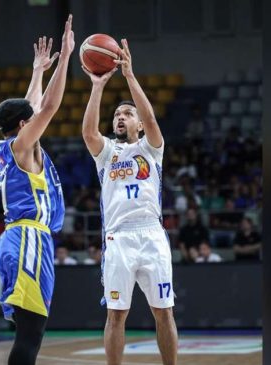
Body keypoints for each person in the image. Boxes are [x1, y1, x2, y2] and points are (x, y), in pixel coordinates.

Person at [81, 38, 178, 365]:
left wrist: (130, 76)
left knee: (164, 312)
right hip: (119, 237)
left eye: (127, 113)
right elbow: (89, 133)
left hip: (151, 234)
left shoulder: (152, 149)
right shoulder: (108, 153)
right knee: (115, 315)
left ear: (138, 123)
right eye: (118, 114)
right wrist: (97, 86)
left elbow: (152, 120)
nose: (121, 117)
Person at [0, 15, 73, 365]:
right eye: (31, 118)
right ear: (24, 126)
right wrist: (67, 56)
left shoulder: (16, 143)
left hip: (24, 238)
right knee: (31, 333)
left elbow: (33, 107)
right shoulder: (21, 146)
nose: (37, 116)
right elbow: (48, 107)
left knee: (30, 330)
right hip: (27, 240)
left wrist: (38, 70)